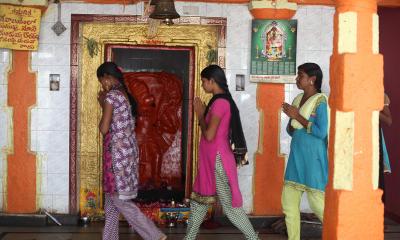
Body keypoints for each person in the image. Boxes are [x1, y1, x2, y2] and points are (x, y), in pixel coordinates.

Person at [184, 65, 259, 240]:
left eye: (203, 81)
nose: (202, 85)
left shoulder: (220, 103)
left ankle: (254, 239)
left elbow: (209, 135)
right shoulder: (218, 100)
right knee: (199, 202)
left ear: (212, 81)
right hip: (210, 161)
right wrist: (202, 113)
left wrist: (201, 115)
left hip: (217, 161)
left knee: (230, 206)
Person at [97, 62, 167, 240]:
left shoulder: (112, 96)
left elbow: (104, 128)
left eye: (101, 81)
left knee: (120, 201)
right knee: (111, 203)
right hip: (126, 153)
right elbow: (118, 121)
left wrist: (103, 103)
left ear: (107, 77)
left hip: (116, 156)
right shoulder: (125, 95)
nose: (102, 86)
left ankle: (154, 235)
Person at [281, 63, 329, 240]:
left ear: (312, 79)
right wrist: (291, 117)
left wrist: (297, 116)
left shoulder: (321, 101)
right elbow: (292, 130)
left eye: (300, 75)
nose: (297, 79)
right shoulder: (297, 99)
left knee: (319, 206)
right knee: (288, 204)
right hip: (296, 157)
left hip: (313, 159)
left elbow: (320, 132)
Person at [379, 93, 393, 203]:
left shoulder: (379, 93)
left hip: (374, 141)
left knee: (377, 181)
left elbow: (389, 120)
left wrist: (372, 111)